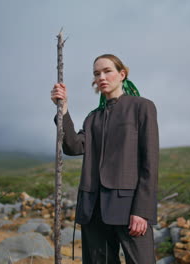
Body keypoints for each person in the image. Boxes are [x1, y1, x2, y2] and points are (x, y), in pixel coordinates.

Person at [51, 54, 159, 263]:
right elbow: (73, 146)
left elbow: (150, 163)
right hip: (93, 208)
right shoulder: (93, 118)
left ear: (122, 74)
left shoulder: (142, 107)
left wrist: (142, 211)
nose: (101, 77)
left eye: (107, 71)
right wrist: (63, 109)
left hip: (129, 208)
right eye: (96, 73)